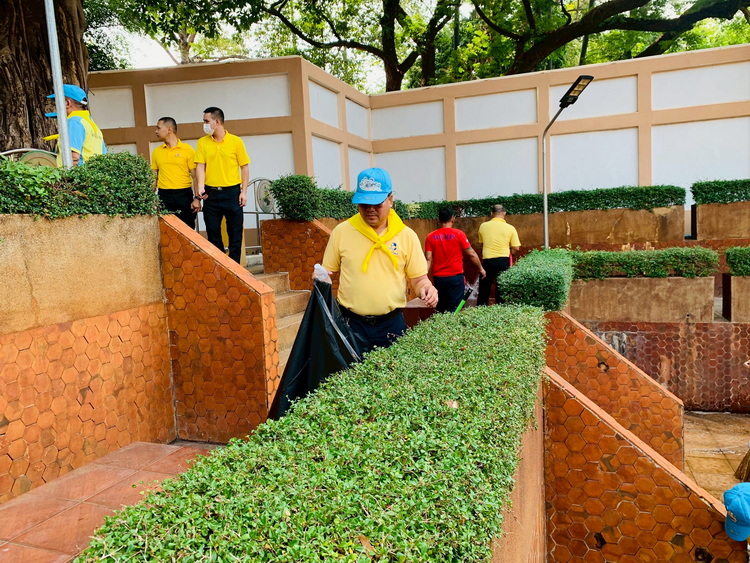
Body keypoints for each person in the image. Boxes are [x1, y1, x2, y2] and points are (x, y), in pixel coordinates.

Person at [322, 167, 438, 353]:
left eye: (376, 204)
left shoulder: (406, 236)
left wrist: (426, 288)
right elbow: (328, 274)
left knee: (392, 370)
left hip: (391, 324)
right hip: (350, 324)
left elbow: (418, 279)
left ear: (390, 199)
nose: (370, 209)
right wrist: (320, 278)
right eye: (364, 204)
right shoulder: (342, 232)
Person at [194, 107, 249, 263]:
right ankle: (221, 266)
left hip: (232, 193)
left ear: (216, 121)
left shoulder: (236, 142)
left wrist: (244, 192)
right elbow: (200, 166)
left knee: (235, 233)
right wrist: (200, 187)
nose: (204, 124)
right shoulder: (202, 142)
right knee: (213, 233)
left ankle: (235, 268)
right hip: (211, 194)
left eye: (206, 121)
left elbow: (244, 167)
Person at [425, 207, 486, 313]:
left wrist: (424, 277)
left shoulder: (430, 237)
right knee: (455, 308)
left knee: (441, 308)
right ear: (453, 219)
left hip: (439, 279)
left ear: (439, 220)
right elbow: (471, 254)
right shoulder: (459, 234)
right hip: (455, 278)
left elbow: (428, 258)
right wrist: (481, 269)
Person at [151, 117, 199, 229]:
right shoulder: (156, 152)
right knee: (166, 230)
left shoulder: (187, 149)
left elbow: (195, 176)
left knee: (187, 229)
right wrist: (150, 198)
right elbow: (153, 176)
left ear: (169, 129)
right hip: (164, 196)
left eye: (159, 128)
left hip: (184, 195)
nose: (156, 131)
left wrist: (197, 198)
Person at [45, 84, 106, 166]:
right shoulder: (91, 125)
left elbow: (73, 158)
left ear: (67, 103)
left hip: (78, 173)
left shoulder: (74, 122)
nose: (56, 107)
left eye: (57, 103)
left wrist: (67, 174)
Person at [477, 204, 521, 306]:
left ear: (491, 213)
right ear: (504, 213)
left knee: (484, 290)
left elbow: (482, 243)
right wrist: (510, 253)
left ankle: (481, 310)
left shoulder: (483, 226)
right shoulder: (510, 228)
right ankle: (501, 310)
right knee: (501, 289)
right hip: (503, 261)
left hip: (487, 261)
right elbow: (516, 248)